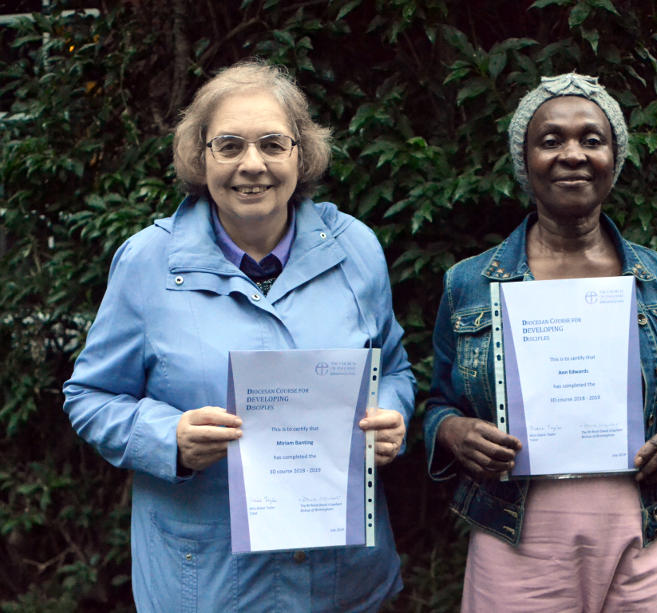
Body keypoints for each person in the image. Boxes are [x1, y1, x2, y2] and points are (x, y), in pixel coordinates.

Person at [63, 60, 415, 612]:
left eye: (273, 144)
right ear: (200, 157)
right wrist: (168, 438)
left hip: (342, 579)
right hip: (209, 585)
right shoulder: (148, 263)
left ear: (302, 153)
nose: (253, 165)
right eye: (229, 145)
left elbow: (392, 367)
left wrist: (392, 414)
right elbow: (88, 397)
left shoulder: (357, 249)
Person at [423, 73, 657, 612]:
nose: (573, 154)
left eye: (592, 139)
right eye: (551, 139)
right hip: (515, 536)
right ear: (525, 158)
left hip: (642, 536)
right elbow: (438, 403)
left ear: (614, 157)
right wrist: (454, 431)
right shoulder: (469, 284)